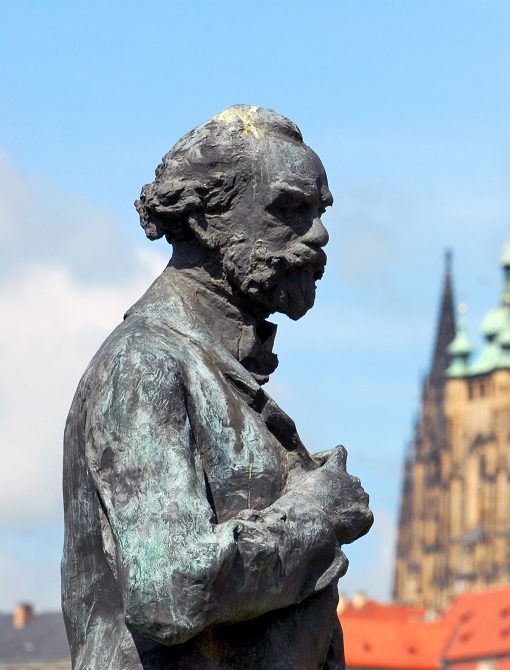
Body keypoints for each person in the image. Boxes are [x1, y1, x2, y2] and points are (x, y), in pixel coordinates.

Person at [62, 105, 373, 669]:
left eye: (319, 211)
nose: (320, 233)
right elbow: (170, 590)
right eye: (289, 209)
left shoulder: (219, 371)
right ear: (207, 221)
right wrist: (316, 515)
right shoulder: (145, 362)